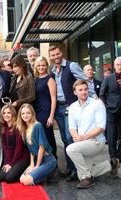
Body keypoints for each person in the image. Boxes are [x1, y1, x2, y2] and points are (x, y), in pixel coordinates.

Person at [49, 45, 96, 181]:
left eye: (57, 54)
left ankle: (78, 170)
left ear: (61, 53)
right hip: (59, 108)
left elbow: (85, 81)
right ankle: (71, 168)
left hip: (71, 107)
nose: (56, 57)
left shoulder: (71, 66)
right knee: (64, 139)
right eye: (53, 55)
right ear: (50, 57)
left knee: (71, 138)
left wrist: (94, 98)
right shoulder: (52, 71)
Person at [67, 80, 111, 189]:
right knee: (82, 173)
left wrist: (83, 138)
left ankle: (87, 178)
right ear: (75, 92)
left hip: (96, 142)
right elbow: (71, 127)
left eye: (85, 89)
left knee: (71, 149)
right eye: (80, 90)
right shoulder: (72, 107)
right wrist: (76, 137)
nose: (83, 92)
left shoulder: (97, 104)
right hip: (82, 142)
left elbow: (101, 127)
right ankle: (110, 164)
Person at [18, 104, 56, 185]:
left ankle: (49, 171)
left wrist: (37, 166)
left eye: (28, 113)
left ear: (32, 114)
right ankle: (42, 174)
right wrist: (32, 164)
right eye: (23, 113)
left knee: (26, 181)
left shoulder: (37, 126)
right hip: (37, 160)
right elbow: (31, 149)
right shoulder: (25, 129)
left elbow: (41, 148)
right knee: (21, 179)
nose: (25, 115)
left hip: (48, 160)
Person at [99, 57, 121, 177]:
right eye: (118, 64)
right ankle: (113, 159)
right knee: (111, 136)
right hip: (111, 110)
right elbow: (101, 94)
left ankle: (118, 157)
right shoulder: (108, 78)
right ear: (114, 66)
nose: (120, 66)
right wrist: (106, 107)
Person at [33, 56, 57, 159]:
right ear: (36, 66)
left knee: (48, 136)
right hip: (37, 111)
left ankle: (53, 159)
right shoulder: (35, 79)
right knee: (39, 137)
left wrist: (51, 116)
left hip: (46, 112)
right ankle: (43, 160)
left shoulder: (50, 79)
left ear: (47, 66)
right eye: (39, 65)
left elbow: (54, 98)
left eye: (43, 65)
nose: (41, 67)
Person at [0, 105, 29, 183]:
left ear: (13, 114)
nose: (6, 115)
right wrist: (7, 162)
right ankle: (15, 170)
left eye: (9, 113)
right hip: (10, 159)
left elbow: (18, 148)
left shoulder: (18, 127)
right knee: (1, 177)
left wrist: (11, 164)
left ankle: (25, 169)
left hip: (21, 158)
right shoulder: (3, 127)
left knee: (9, 179)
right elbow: (4, 147)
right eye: (4, 113)